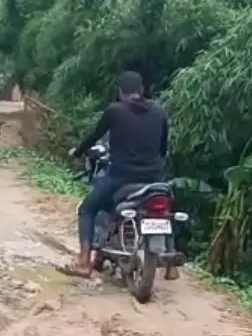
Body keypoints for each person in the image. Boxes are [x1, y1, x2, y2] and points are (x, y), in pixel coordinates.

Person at [62, 71, 172, 279]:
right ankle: (170, 265)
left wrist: (77, 152)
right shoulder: (159, 111)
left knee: (87, 208)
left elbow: (94, 136)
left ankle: (84, 262)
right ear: (141, 91)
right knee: (168, 209)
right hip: (153, 178)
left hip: (121, 176)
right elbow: (163, 148)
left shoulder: (115, 111)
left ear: (121, 92)